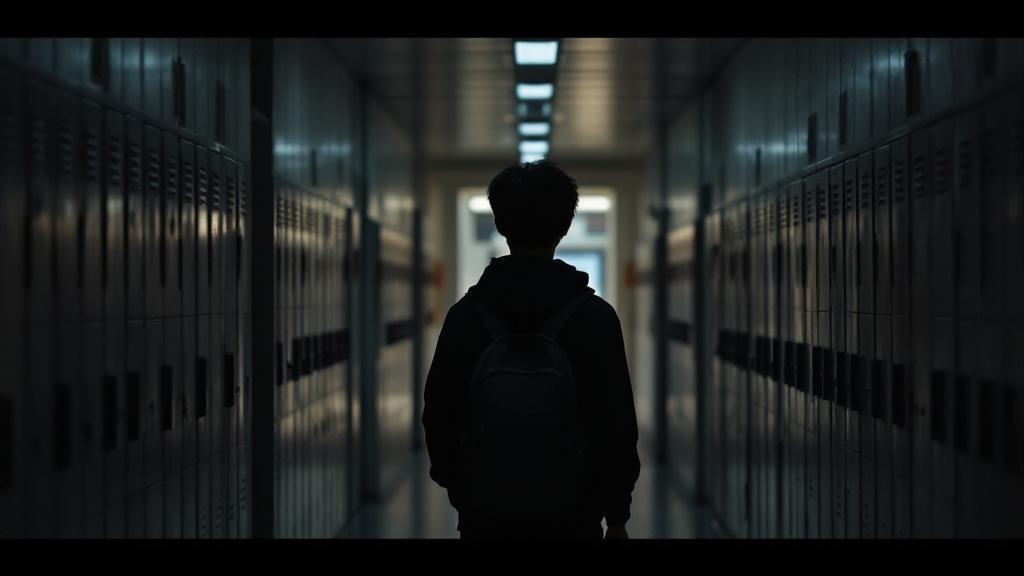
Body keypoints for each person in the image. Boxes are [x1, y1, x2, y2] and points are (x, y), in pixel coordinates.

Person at [422, 160, 641, 539]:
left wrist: (464, 494)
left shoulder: (465, 318)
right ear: (565, 225)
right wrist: (617, 513)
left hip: (485, 516)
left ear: (500, 223)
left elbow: (438, 416)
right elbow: (616, 425)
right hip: (574, 515)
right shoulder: (596, 319)